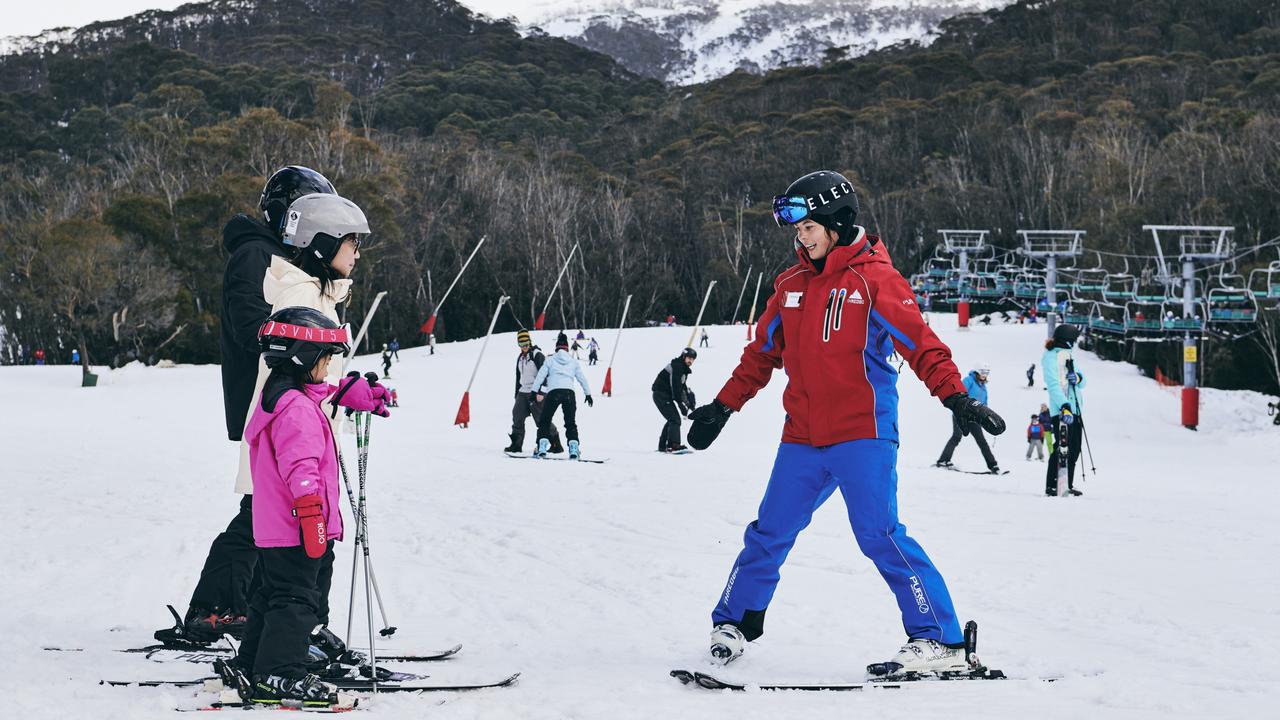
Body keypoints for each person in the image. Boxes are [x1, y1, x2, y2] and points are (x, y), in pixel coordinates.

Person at [685, 170, 1005, 677]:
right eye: (797, 229)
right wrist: (722, 407)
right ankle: (736, 623)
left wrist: (957, 399)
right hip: (803, 437)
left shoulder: (875, 279)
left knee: (879, 533)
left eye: (808, 226)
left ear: (836, 221)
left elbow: (921, 346)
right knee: (769, 532)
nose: (801, 237)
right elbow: (759, 356)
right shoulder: (789, 284)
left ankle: (941, 639)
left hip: (863, 434)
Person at [156, 166, 338, 647]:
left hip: (286, 400)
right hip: (272, 402)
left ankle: (246, 609)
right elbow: (250, 325)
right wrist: (302, 343)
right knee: (260, 512)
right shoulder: (256, 254)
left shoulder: (281, 257)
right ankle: (217, 609)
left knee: (265, 511)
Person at [235, 306, 385, 707]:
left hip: (276, 528)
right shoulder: (298, 410)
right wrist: (313, 517)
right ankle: (279, 673)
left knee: (271, 596)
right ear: (303, 358)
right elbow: (301, 469)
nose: (329, 367)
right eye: (326, 359)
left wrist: (344, 393)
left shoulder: (282, 399)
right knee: (297, 599)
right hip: (298, 525)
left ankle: (254, 663)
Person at [532, 332, 593, 460]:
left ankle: (542, 447)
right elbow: (582, 378)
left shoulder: (550, 360)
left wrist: (534, 391)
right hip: (569, 393)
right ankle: (574, 450)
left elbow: (540, 376)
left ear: (556, 347)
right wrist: (588, 394)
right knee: (570, 422)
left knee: (545, 420)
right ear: (567, 347)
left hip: (554, 392)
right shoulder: (573, 361)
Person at [1043, 324, 1086, 496]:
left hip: (1075, 408)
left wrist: (1077, 377)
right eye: (1073, 341)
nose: (1074, 344)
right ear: (1066, 340)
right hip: (1062, 410)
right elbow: (1053, 385)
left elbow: (1083, 382)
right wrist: (1064, 406)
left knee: (1074, 448)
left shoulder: (1069, 355)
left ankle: (1066, 482)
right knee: (1062, 447)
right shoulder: (1050, 357)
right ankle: (1052, 485)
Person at [505, 330, 562, 455]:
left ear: (530, 342)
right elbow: (518, 377)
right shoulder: (520, 358)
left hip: (536, 392)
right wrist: (516, 395)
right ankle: (516, 444)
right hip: (523, 392)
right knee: (517, 415)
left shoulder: (537, 355)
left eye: (526, 343)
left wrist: (541, 392)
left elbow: (546, 374)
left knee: (540, 419)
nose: (524, 346)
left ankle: (555, 443)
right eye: (521, 344)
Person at [935, 365, 1000, 473]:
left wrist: (985, 416)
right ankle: (943, 460)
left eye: (986, 373)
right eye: (982, 372)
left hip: (974, 417)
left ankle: (993, 465)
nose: (984, 375)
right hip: (960, 414)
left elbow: (984, 403)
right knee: (956, 437)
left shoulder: (983, 387)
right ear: (977, 372)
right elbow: (959, 394)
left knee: (982, 441)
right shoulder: (968, 381)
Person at [652, 348, 697, 452]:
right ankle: (673, 445)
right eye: (689, 358)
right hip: (661, 394)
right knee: (675, 419)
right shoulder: (677, 367)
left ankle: (663, 446)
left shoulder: (682, 368)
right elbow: (675, 387)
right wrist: (680, 403)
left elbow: (682, 388)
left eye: (692, 359)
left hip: (664, 395)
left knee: (672, 419)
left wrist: (689, 404)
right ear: (683, 357)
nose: (690, 361)